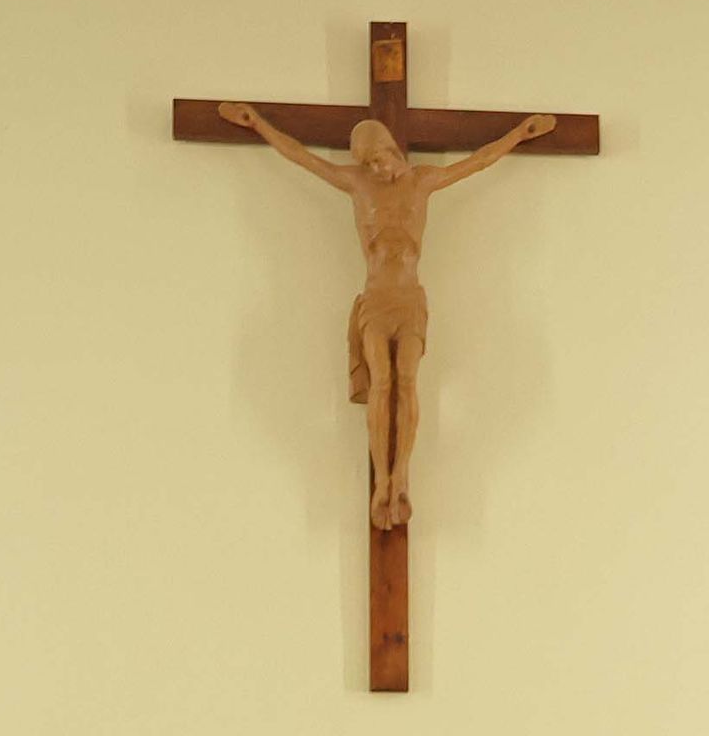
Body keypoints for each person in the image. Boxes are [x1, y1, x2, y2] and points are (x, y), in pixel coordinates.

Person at [217, 100, 555, 529]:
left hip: (410, 299)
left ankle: (402, 478)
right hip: (376, 300)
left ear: (394, 150)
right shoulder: (357, 184)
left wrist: (520, 133)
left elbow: (480, 159)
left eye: (380, 160)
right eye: (369, 164)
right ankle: (382, 483)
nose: (377, 170)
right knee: (381, 384)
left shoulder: (423, 180)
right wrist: (258, 124)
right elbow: (301, 156)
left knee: (408, 382)